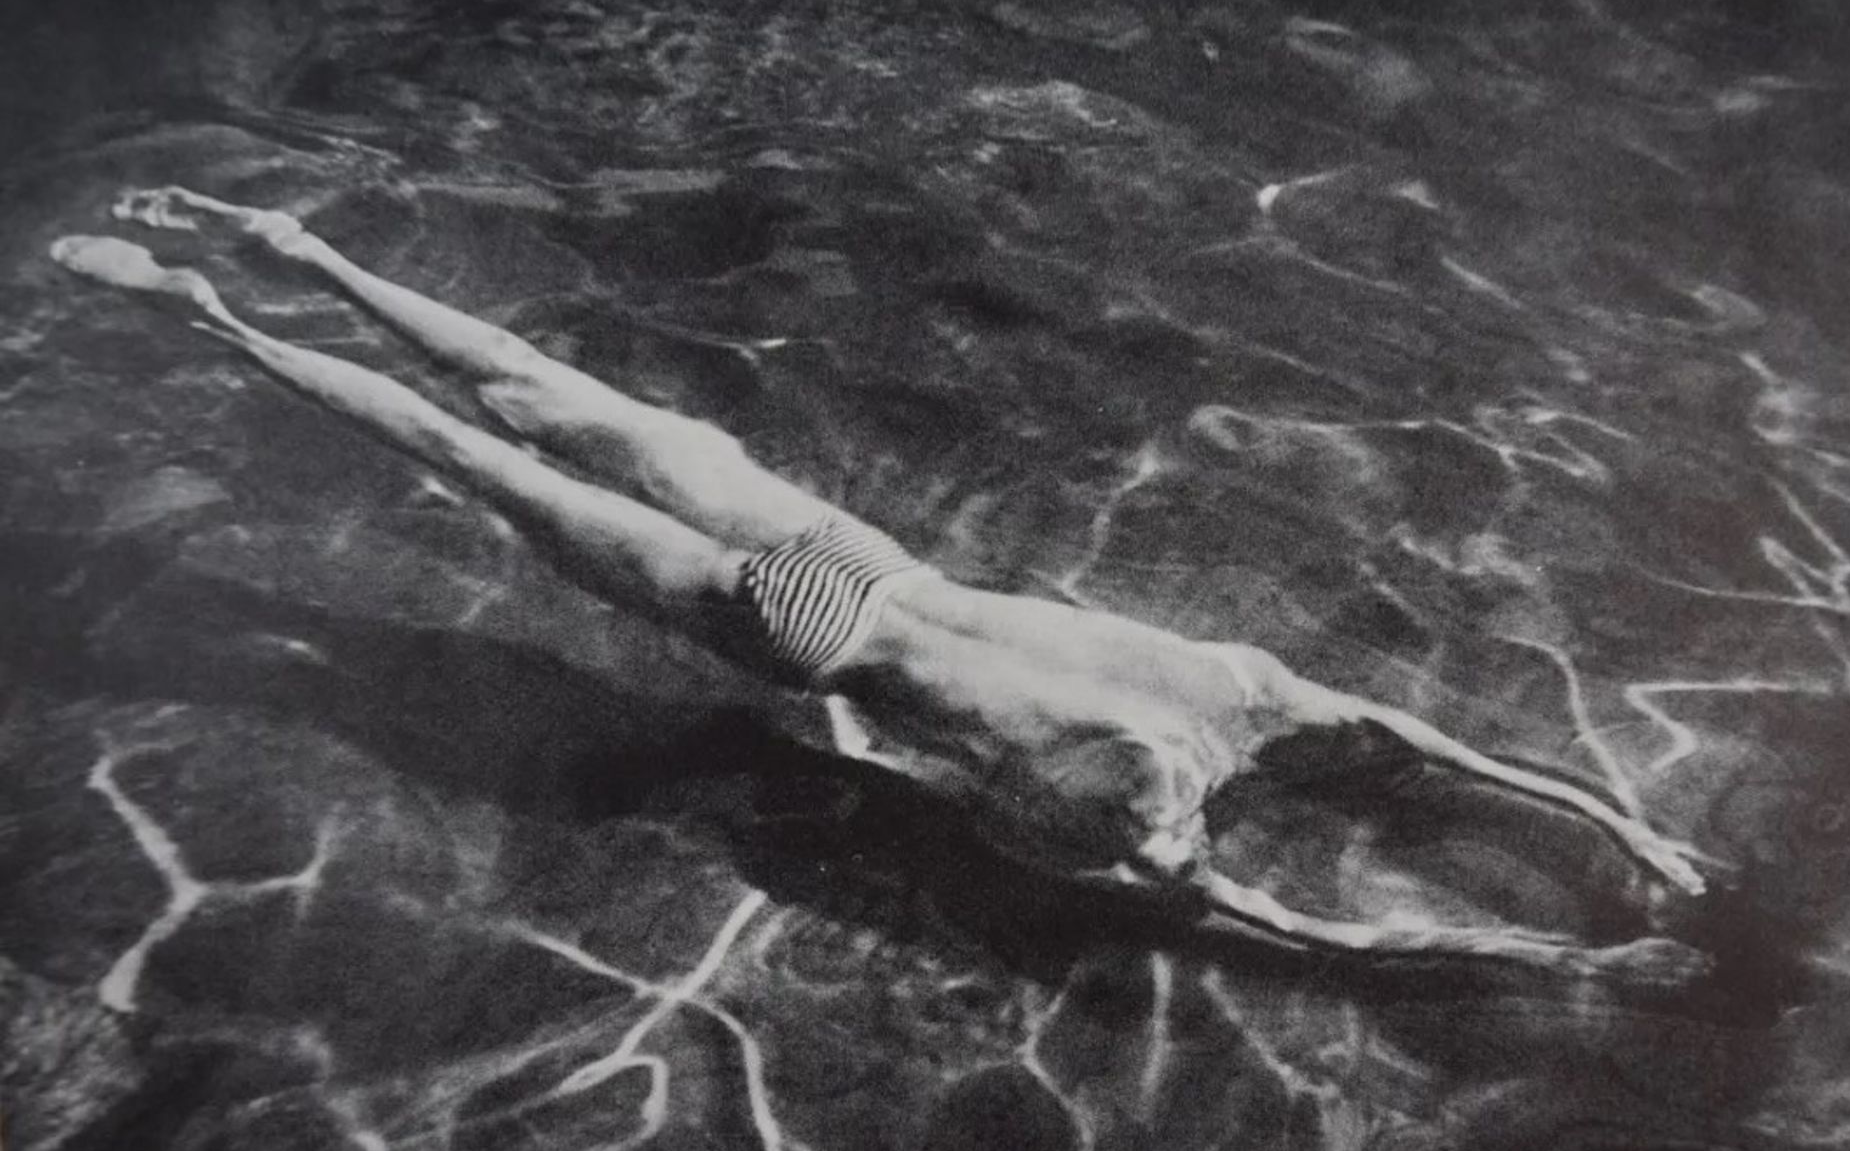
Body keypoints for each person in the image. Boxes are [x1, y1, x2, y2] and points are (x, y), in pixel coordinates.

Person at [51, 186, 1712, 988]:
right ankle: (216, 311)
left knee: (548, 404)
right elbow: (1338, 926)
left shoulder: (1250, 693)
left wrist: (1621, 834)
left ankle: (298, 259)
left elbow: (1437, 765)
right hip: (797, 631)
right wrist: (1561, 946)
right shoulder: (1152, 822)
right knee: (484, 459)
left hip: (847, 549)